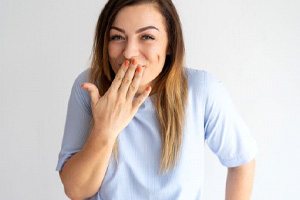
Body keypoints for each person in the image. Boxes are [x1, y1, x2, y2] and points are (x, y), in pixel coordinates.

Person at [56, 0, 257, 199]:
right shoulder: (89, 87)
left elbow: (241, 161)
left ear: (170, 44)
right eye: (117, 36)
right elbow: (76, 190)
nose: (129, 52)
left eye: (147, 37)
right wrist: (105, 129)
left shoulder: (201, 90)